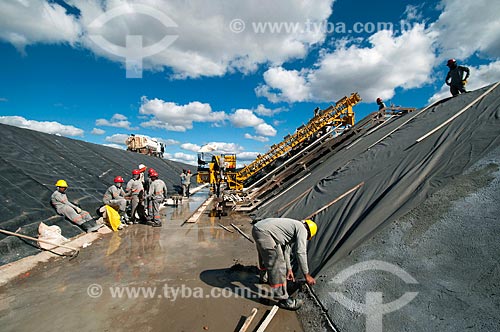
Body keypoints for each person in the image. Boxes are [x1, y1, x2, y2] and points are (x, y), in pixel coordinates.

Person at [251, 218, 317, 310]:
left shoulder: (291, 227)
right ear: (309, 232)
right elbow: (300, 252)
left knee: (265, 256)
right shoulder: (302, 229)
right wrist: (307, 275)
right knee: (277, 265)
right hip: (265, 233)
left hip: (258, 228)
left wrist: (289, 269)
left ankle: (264, 278)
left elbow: (286, 251)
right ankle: (283, 300)